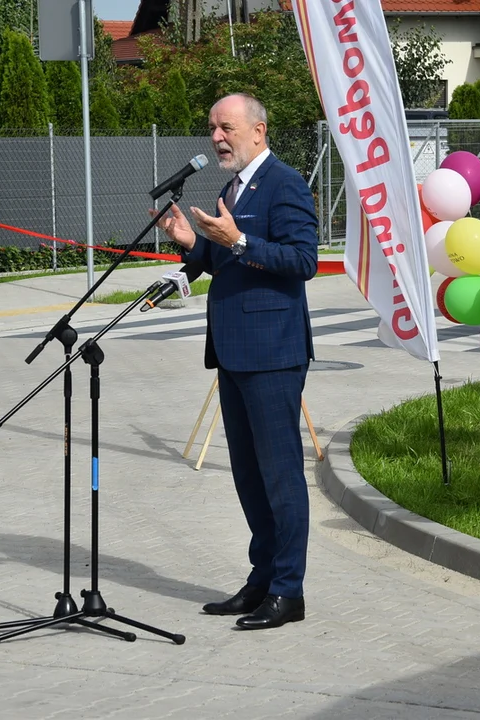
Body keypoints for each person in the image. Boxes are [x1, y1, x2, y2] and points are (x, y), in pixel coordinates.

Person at [156, 93, 318, 630]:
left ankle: (288, 592)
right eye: (212, 128)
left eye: (226, 127)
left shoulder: (285, 183)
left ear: (258, 130)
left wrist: (241, 238)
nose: (216, 137)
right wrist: (190, 243)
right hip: (233, 353)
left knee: (280, 476)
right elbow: (222, 254)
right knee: (248, 476)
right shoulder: (232, 186)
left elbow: (302, 260)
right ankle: (262, 579)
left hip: (272, 352)